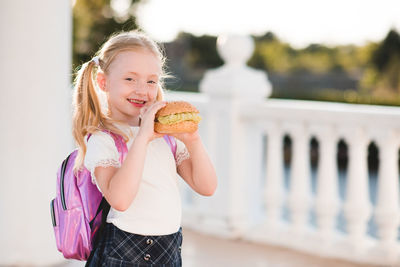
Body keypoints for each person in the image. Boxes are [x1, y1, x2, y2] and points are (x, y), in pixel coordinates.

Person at [71, 30, 218, 266]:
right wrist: (142, 138)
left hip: (169, 249)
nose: (142, 89)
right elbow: (120, 199)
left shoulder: (166, 135)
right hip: (122, 252)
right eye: (130, 79)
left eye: (151, 81)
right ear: (103, 82)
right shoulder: (103, 138)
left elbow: (207, 186)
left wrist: (193, 141)